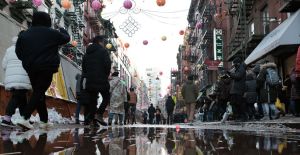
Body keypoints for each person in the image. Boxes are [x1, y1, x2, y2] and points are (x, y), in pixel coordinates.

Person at [15, 11, 70, 129]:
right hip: (46, 66)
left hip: (31, 67)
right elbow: (67, 38)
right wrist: (62, 30)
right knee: (39, 91)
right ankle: (25, 117)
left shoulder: (24, 34)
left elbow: (18, 52)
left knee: (38, 92)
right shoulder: (52, 33)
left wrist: (28, 60)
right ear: (47, 21)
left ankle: (44, 121)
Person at [1, 34, 32, 127]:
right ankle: (6, 119)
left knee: (22, 99)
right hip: (23, 78)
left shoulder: (9, 49)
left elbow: (4, 65)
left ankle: (24, 119)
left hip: (11, 79)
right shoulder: (27, 49)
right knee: (16, 98)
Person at [81, 35, 111, 126]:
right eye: (103, 42)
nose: (104, 44)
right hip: (101, 79)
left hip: (90, 80)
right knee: (106, 97)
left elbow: (84, 67)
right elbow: (107, 65)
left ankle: (90, 119)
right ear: (100, 42)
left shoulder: (87, 53)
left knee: (92, 100)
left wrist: (88, 76)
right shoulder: (103, 51)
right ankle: (99, 114)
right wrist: (105, 76)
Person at [227, 57, 247, 121]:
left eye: (235, 63)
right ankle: (237, 116)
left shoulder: (241, 68)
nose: (234, 65)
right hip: (234, 90)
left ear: (238, 63)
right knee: (234, 104)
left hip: (239, 89)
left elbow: (238, 76)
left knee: (239, 104)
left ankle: (242, 117)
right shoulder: (237, 68)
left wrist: (230, 74)